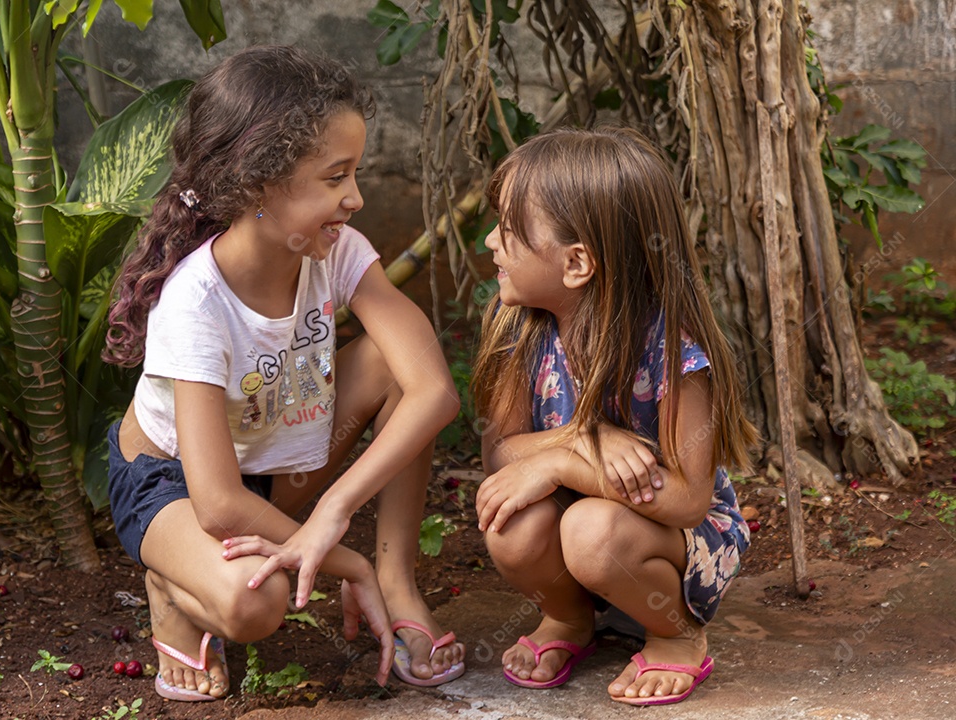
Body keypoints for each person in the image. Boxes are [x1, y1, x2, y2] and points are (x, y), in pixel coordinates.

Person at [103, 46, 465, 702]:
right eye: (336, 177)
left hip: (273, 468)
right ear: (259, 183)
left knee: (393, 364)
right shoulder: (196, 302)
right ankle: (167, 578)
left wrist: (332, 511)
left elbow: (434, 391)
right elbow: (215, 502)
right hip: (173, 486)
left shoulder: (338, 253)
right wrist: (342, 558)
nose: (355, 198)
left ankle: (399, 584)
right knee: (256, 606)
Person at [472, 127, 758, 705]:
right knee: (510, 522)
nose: (489, 242)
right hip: (589, 520)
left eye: (507, 230)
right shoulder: (518, 329)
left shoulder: (670, 351)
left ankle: (674, 635)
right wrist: (580, 440)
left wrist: (566, 464)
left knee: (591, 532)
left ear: (576, 263)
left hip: (675, 538)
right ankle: (569, 618)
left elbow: (685, 501)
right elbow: (501, 453)